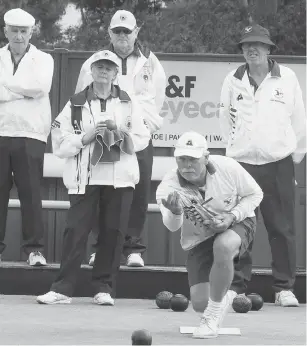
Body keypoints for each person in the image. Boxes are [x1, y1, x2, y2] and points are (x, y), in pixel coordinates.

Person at [36, 50, 150, 305]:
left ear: (115, 73)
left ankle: (104, 289)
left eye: (109, 68)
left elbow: (142, 138)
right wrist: (85, 137)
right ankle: (63, 289)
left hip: (119, 177)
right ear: (91, 70)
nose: (103, 71)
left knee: (113, 233)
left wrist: (122, 135)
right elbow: (59, 144)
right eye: (99, 66)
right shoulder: (74, 102)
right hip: (83, 177)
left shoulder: (129, 102)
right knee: (75, 232)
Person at [219, 24, 306, 307]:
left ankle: (283, 288)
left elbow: (299, 122)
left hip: (278, 164)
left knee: (281, 228)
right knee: (242, 227)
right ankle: (237, 285)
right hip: (241, 165)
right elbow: (224, 120)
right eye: (246, 45)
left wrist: (291, 159)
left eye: (257, 45)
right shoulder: (232, 79)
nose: (251, 50)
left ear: (269, 49)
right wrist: (234, 152)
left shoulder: (287, 78)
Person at [76, 10, 166, 268]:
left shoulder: (151, 61)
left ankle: (133, 248)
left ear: (136, 32)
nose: (122, 36)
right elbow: (82, 96)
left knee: (138, 192)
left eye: (127, 31)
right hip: (105, 134)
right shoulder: (95, 61)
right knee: (103, 191)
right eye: (117, 31)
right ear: (110, 33)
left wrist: (144, 124)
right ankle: (99, 248)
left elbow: (157, 99)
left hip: (138, 137)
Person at [156, 132, 263, 338]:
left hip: (238, 221)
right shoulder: (168, 186)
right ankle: (226, 295)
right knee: (199, 303)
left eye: (193, 159)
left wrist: (232, 216)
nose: (187, 165)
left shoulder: (228, 167)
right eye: (182, 159)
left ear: (206, 157)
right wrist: (176, 212)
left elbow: (255, 193)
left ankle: (212, 317)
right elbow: (171, 226)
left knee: (223, 246)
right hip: (200, 237)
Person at [0, 8, 54, 266]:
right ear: (5, 31)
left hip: (32, 134)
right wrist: (23, 91)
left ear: (31, 32)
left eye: (24, 31)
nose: (19, 36)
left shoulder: (44, 60)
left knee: (31, 194)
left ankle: (34, 250)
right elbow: (31, 90)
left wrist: (6, 86)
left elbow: (40, 87)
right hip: (0, 132)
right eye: (14, 30)